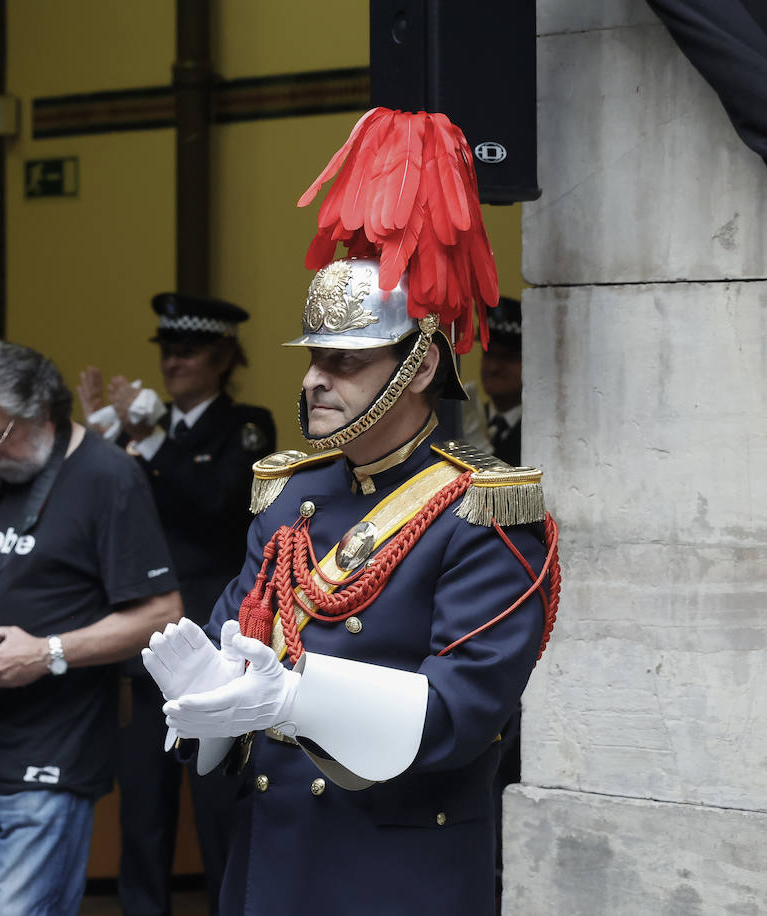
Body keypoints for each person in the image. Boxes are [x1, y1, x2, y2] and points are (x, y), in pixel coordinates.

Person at [143, 108, 561, 914]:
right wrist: (209, 698)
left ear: (420, 364)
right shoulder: (289, 493)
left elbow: (460, 712)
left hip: (394, 866)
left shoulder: (485, 509)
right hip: (275, 854)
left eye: (345, 363)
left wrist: (295, 701)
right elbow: (245, 631)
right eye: (312, 363)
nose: (312, 383)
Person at [0, 336, 183, 916]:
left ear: (40, 410)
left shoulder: (110, 478)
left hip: (51, 749)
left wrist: (49, 651)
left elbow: (163, 614)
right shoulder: (8, 462)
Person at [78, 293, 275, 916]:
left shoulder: (247, 424)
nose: (173, 363)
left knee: (219, 813)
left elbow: (220, 501)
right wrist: (104, 447)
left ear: (222, 357)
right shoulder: (144, 430)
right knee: (142, 814)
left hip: (215, 643)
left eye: (188, 351)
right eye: (167, 351)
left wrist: (153, 440)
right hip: (147, 645)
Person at [481, 297, 523, 467]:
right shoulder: (470, 421)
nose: (493, 367)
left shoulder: (540, 431)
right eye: (487, 355)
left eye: (507, 358)